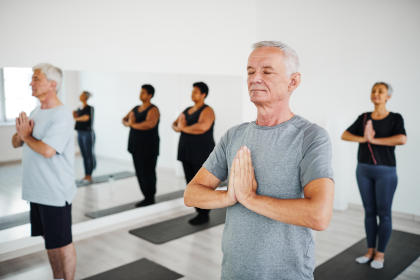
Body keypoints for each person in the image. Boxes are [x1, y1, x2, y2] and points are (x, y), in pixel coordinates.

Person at [184, 41, 334, 279]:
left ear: (293, 81)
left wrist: (250, 198)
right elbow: (191, 194)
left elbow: (319, 215)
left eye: (266, 71)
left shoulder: (311, 137)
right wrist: (229, 196)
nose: (255, 78)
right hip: (233, 272)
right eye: (250, 71)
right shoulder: (234, 135)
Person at [11, 63, 76, 280]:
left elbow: (48, 150)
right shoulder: (35, 112)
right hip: (37, 192)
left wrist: (27, 136)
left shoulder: (63, 115)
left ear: (52, 84)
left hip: (55, 193)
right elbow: (16, 142)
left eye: (36, 78)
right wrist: (21, 134)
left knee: (63, 243)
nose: (31, 82)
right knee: (50, 242)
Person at [341, 82, 407, 269]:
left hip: (385, 172)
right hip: (363, 170)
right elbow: (345, 135)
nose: (376, 94)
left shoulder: (395, 118)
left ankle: (380, 254)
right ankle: (369, 251)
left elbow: (401, 138)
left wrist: (374, 140)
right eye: (374, 91)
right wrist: (364, 138)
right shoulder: (364, 118)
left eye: (381, 91)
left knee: (384, 213)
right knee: (369, 212)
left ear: (388, 97)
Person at [172, 82, 215, 225]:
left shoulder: (207, 111)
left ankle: (204, 213)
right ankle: (198, 211)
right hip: (186, 152)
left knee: (201, 184)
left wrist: (182, 127)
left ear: (203, 94)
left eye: (196, 92)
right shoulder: (187, 110)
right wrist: (181, 127)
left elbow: (202, 127)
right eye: (192, 91)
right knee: (190, 183)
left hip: (201, 153)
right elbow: (175, 124)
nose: (192, 94)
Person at [123, 84, 160, 207]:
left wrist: (131, 124)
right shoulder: (135, 108)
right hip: (135, 146)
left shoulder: (153, 109)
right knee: (139, 172)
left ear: (150, 95)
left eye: (143, 92)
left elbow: (149, 124)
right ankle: (146, 197)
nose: (140, 94)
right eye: (140, 92)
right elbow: (124, 119)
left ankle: (150, 197)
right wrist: (129, 123)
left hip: (149, 147)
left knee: (148, 172)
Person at [73, 91, 96, 184]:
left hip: (87, 133)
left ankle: (89, 175)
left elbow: (86, 118)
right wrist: (74, 114)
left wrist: (75, 118)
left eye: (82, 94)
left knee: (88, 155)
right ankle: (86, 174)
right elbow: (76, 116)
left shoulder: (89, 108)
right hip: (80, 133)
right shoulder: (79, 108)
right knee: (84, 155)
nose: (80, 96)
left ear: (85, 97)